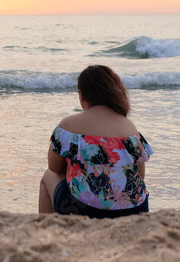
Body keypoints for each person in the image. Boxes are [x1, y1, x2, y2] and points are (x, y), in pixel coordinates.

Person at [38, 65, 153, 218]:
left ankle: (49, 233)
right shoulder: (130, 127)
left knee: (47, 177)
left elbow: (54, 167)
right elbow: (140, 175)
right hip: (135, 209)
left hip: (85, 210)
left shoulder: (69, 125)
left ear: (82, 96)